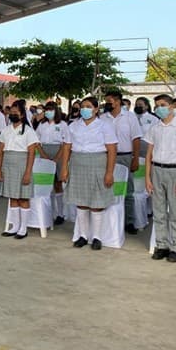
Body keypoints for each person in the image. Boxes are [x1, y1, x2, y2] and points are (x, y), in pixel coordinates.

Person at [60, 96, 118, 251]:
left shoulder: (105, 126)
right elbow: (67, 147)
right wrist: (64, 168)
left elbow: (112, 150)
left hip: (98, 163)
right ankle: (83, 236)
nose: (85, 109)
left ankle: (97, 237)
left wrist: (109, 172)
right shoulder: (73, 126)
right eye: (82, 107)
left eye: (88, 106)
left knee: (96, 202)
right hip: (78, 163)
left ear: (96, 109)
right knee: (81, 202)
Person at [145, 94, 176, 263]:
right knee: (158, 212)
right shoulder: (154, 128)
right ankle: (162, 245)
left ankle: (175, 247)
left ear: (172, 106)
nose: (160, 108)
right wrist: (147, 178)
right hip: (157, 170)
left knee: (175, 212)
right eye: (157, 105)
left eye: (163, 104)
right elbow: (149, 153)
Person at [101, 89, 142, 235]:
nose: (107, 103)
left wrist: (135, 158)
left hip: (125, 156)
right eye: (106, 101)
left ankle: (129, 221)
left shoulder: (130, 117)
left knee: (128, 190)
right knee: (107, 187)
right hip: (106, 157)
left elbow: (136, 139)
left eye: (109, 101)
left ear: (118, 101)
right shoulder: (102, 118)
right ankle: (107, 219)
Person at [0, 101, 39, 239]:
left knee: (23, 197)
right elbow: (0, 151)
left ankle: (23, 228)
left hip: (22, 165)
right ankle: (14, 226)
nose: (13, 114)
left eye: (16, 112)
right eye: (11, 112)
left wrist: (28, 172)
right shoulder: (6, 130)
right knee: (13, 197)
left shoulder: (28, 131)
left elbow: (32, 153)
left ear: (22, 115)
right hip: (8, 165)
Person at [36, 101, 69, 224]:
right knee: (46, 184)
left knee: (58, 184)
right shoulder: (42, 124)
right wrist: (43, 155)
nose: (48, 112)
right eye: (47, 110)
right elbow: (37, 141)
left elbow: (65, 143)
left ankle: (60, 214)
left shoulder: (62, 125)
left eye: (51, 110)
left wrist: (56, 158)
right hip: (44, 152)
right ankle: (49, 212)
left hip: (58, 152)